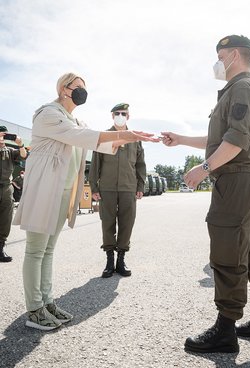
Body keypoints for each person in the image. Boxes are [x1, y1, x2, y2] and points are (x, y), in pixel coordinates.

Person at [162, 35, 250, 353]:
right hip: (247, 179)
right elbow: (219, 137)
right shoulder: (235, 91)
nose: (216, 62)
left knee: (228, 252)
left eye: (219, 55)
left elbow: (236, 141)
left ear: (232, 55)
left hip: (237, 181)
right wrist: (181, 140)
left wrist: (202, 169)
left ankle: (225, 330)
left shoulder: (242, 88)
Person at [13, 73, 157, 331]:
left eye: (84, 88)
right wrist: (129, 134)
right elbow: (81, 137)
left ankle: (47, 302)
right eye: (77, 87)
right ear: (63, 89)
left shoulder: (77, 120)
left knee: (48, 250)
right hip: (45, 191)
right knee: (35, 250)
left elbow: (100, 145)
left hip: (63, 192)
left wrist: (128, 137)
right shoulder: (48, 114)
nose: (82, 91)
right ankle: (34, 309)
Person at [89, 103, 146, 278]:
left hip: (128, 188)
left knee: (127, 222)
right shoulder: (104, 136)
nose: (120, 116)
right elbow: (95, 163)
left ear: (128, 117)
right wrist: (94, 187)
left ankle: (121, 259)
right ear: (112, 116)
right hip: (107, 187)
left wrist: (140, 186)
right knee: (107, 222)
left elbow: (140, 164)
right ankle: (109, 260)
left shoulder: (135, 138)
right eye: (117, 113)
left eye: (124, 113)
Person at [0, 127, 27, 262]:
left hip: (6, 187)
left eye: (4, 135)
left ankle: (0, 248)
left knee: (6, 218)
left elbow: (23, 155)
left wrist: (20, 144)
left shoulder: (10, 151)